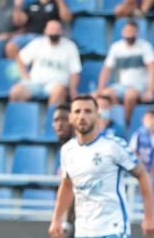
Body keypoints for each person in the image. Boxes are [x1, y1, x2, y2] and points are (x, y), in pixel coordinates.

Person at [49, 96, 154, 238]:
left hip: (113, 229)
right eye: (77, 111)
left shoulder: (114, 145)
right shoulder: (67, 150)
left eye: (88, 111)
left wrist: (149, 216)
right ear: (70, 117)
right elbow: (67, 185)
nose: (82, 116)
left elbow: (142, 175)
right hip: (83, 231)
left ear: (97, 116)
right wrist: (56, 219)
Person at [12, 20, 81, 106]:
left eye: (57, 29)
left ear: (61, 31)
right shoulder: (37, 43)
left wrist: (73, 90)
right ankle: (22, 118)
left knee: (59, 91)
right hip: (34, 83)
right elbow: (20, 58)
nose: (54, 31)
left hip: (56, 85)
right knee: (16, 92)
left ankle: (50, 118)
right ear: (45, 30)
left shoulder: (70, 46)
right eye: (51, 29)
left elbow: (75, 72)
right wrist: (25, 77)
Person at [97, 20, 154, 124]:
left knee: (130, 96)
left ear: (137, 33)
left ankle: (126, 124)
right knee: (106, 93)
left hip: (140, 86)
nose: (129, 33)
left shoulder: (145, 47)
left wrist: (150, 91)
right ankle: (114, 122)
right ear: (122, 32)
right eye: (127, 31)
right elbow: (106, 69)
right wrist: (101, 88)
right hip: (122, 86)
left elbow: (152, 68)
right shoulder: (116, 47)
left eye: (132, 31)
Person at [5, 0, 73, 58]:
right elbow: (19, 22)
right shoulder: (32, 4)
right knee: (10, 47)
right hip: (28, 36)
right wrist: (17, 7)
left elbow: (66, 18)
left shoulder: (57, 4)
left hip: (46, 38)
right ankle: (22, 70)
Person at [130, 109, 154, 176]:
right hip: (141, 170)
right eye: (147, 119)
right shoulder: (138, 135)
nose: (150, 121)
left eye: (151, 118)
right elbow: (133, 151)